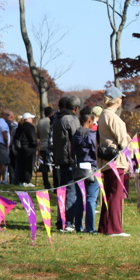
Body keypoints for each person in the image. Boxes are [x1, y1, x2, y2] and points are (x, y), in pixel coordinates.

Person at [97, 87, 131, 236]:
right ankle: (114, 229)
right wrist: (130, 150)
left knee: (109, 195)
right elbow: (123, 141)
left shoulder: (103, 115)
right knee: (115, 196)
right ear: (117, 100)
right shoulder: (112, 116)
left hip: (107, 161)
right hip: (116, 160)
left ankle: (105, 227)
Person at [50, 95, 81, 231]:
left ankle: (60, 220)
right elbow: (77, 137)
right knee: (70, 191)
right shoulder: (71, 119)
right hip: (69, 160)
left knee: (62, 191)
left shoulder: (58, 119)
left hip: (59, 160)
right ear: (76, 109)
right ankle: (68, 222)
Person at [71, 106, 99, 233]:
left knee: (79, 198)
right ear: (89, 121)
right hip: (92, 168)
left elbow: (72, 152)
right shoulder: (92, 135)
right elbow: (95, 152)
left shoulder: (76, 135)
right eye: (93, 122)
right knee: (91, 198)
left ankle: (78, 226)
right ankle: (90, 227)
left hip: (79, 167)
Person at [13, 112, 39, 187]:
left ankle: (21, 181)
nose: (32, 120)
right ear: (27, 119)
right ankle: (27, 181)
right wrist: (36, 145)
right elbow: (33, 139)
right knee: (29, 165)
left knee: (21, 165)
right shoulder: (30, 127)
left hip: (20, 148)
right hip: (29, 148)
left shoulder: (19, 127)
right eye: (31, 118)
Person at [36, 106, 54, 189]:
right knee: (53, 165)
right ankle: (56, 182)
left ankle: (46, 183)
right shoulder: (52, 121)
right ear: (52, 113)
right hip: (51, 145)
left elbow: (38, 135)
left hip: (43, 146)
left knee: (44, 166)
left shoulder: (40, 122)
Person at [0, 110, 12, 185]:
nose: (9, 116)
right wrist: (6, 144)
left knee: (0, 163)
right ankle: (1, 179)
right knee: (3, 163)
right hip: (2, 145)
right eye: (8, 115)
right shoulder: (2, 123)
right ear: (3, 115)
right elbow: (5, 134)